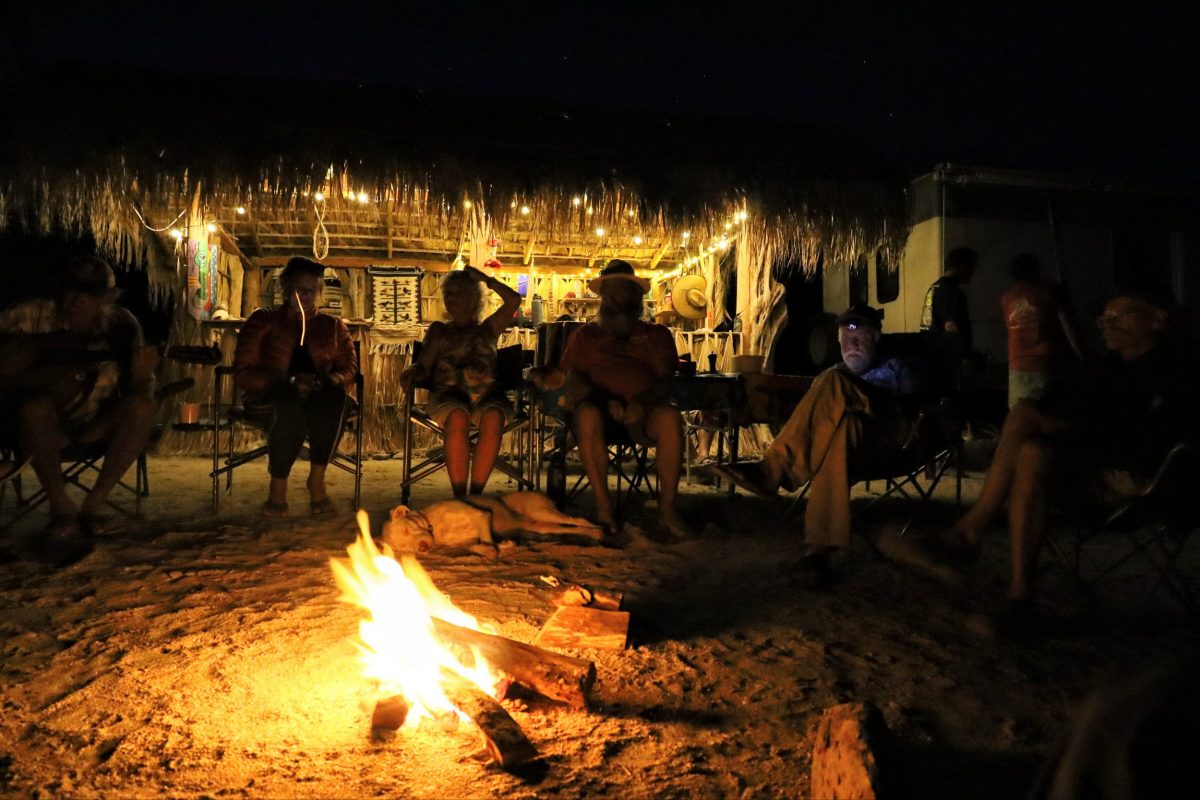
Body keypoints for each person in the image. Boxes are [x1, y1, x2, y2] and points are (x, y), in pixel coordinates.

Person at [940, 288, 1195, 630]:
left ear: (1158, 319)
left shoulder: (1180, 373)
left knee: (1024, 417)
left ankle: (971, 532)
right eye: (1105, 318)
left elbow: (1178, 438)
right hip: (1088, 472)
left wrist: (1154, 479)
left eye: (1121, 315)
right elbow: (1073, 410)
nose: (1108, 323)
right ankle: (1019, 599)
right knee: (1032, 447)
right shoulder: (1101, 370)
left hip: (1139, 489)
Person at [714, 304, 927, 575]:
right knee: (839, 432)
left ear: (876, 337)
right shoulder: (834, 374)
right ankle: (818, 551)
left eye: (859, 337)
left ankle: (772, 471)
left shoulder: (899, 366)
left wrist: (867, 393)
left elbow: (914, 407)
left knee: (834, 381)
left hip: (891, 437)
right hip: (855, 441)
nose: (852, 344)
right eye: (845, 340)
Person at [0, 256, 160, 558]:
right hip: (36, 426)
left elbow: (139, 388)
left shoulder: (122, 325)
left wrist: (140, 377)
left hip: (94, 423)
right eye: (70, 292)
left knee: (142, 407)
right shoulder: (26, 316)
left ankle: (94, 504)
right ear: (59, 292)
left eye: (88, 295)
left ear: (105, 298)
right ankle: (61, 508)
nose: (76, 301)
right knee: (35, 407)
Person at [556, 259, 690, 540]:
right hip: (600, 411)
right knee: (587, 414)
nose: (619, 297)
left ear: (637, 297)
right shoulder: (586, 335)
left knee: (670, 417)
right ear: (603, 297)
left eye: (626, 291)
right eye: (613, 291)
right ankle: (604, 509)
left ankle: (667, 512)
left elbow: (666, 380)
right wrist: (604, 400)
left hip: (645, 413)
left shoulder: (657, 335)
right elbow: (574, 379)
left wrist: (642, 403)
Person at [233, 256, 357, 517]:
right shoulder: (264, 321)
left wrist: (327, 381)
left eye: (312, 290)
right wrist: (284, 382)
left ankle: (317, 480)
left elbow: (348, 368)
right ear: (287, 288)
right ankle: (277, 488)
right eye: (301, 289)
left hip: (318, 392)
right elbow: (243, 370)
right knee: (289, 404)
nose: (307, 296)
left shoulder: (331, 326)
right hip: (271, 392)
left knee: (334, 399)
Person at [402, 265, 521, 498]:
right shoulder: (439, 331)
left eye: (457, 292)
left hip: (486, 395)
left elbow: (514, 300)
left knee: (494, 416)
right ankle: (460, 496)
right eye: (448, 293)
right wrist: (411, 372)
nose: (450, 298)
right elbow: (424, 367)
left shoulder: (489, 329)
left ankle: (475, 495)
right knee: (457, 416)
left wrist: (486, 279)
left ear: (473, 299)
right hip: (448, 395)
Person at [1000, 253, 1082, 407]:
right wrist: (1081, 357)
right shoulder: (1049, 292)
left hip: (1017, 363)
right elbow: (1068, 328)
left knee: (1022, 415)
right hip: (1047, 363)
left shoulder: (1007, 297)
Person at [920, 246, 978, 352]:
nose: (973, 272)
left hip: (931, 352)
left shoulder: (935, 287)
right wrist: (963, 354)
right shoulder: (950, 290)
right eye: (971, 267)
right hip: (946, 357)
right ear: (962, 266)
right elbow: (950, 326)